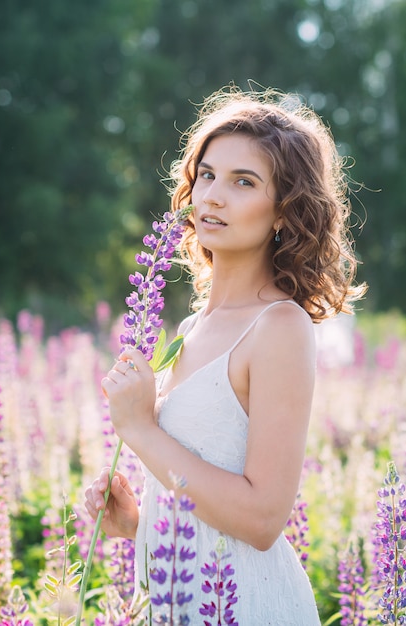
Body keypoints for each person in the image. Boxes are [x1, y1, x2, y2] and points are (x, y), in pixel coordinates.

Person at [85, 85, 367, 624]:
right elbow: (209, 494)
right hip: (178, 601)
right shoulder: (192, 327)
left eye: (244, 182)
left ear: (284, 212)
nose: (212, 196)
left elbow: (262, 518)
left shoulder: (279, 326)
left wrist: (141, 431)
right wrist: (138, 522)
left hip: (251, 606)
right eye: (208, 174)